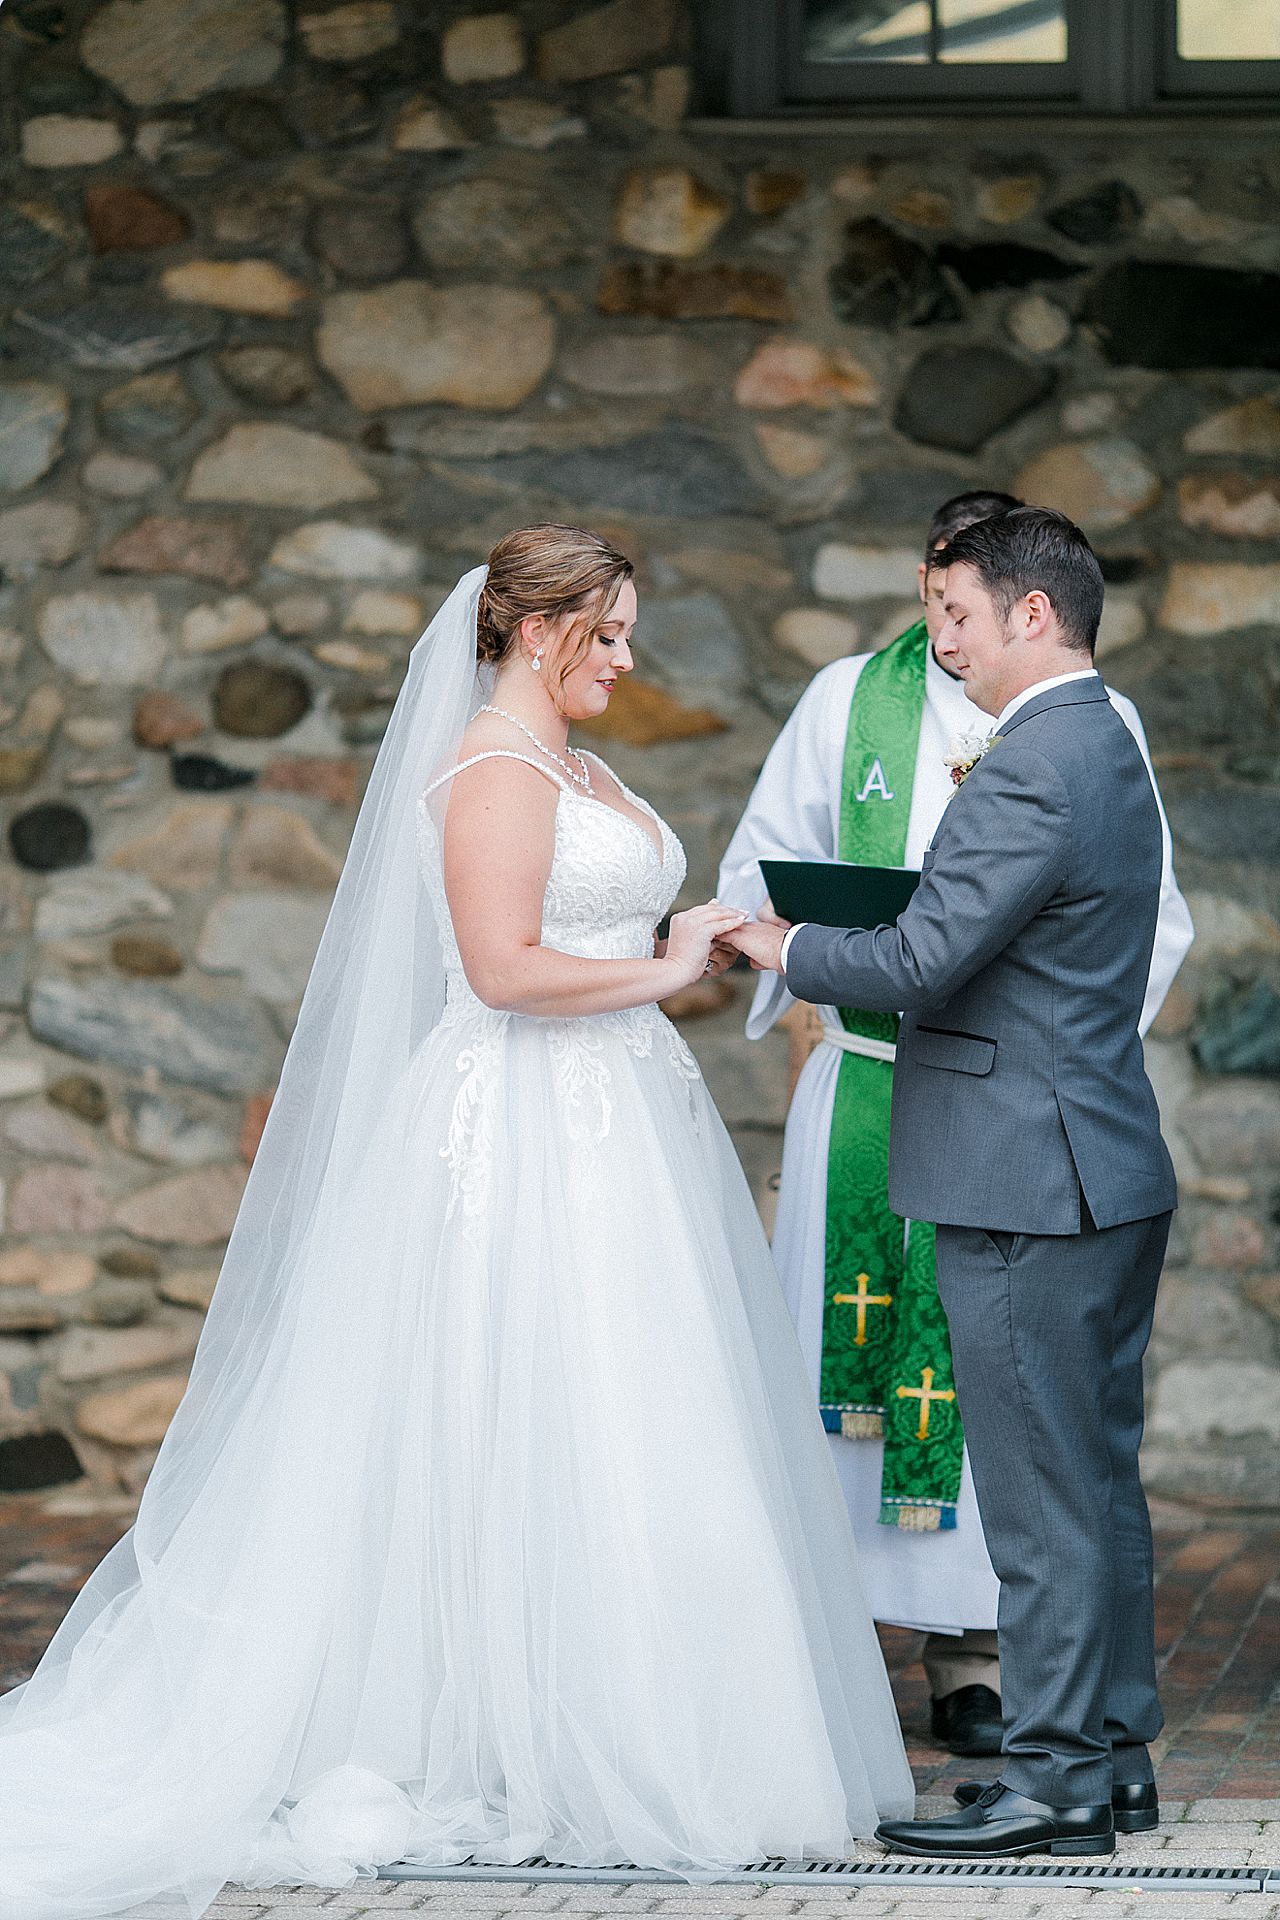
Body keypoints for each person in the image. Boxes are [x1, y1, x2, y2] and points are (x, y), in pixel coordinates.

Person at [0, 524, 912, 1920]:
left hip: (616, 1125)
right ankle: (516, 1735)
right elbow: (498, 971)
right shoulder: (492, 768)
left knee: (636, 1412)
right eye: (604, 633)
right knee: (523, 1407)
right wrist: (665, 967)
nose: (625, 655)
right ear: (537, 634)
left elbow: (583, 925)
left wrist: (689, 936)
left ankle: (637, 1724)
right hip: (527, 1131)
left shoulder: (571, 767)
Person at [725, 507, 1179, 1860]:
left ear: (1032, 614)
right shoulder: (1101, 739)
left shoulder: (1037, 761)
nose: (942, 644)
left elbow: (922, 958)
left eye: (960, 618)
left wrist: (780, 940)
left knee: (1038, 1501)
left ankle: (1049, 1784)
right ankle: (1113, 1755)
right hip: (1090, 1161)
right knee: (1094, 1484)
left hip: (1023, 1177)